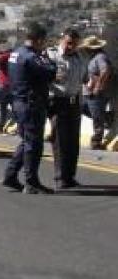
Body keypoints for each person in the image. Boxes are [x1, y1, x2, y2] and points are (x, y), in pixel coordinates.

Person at [1, 22, 58, 194]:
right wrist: (49, 60)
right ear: (39, 40)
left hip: (18, 101)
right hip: (31, 103)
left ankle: (10, 175)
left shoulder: (16, 53)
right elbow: (50, 73)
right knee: (34, 144)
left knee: (26, 141)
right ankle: (31, 182)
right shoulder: (32, 57)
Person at [47, 29, 85, 188]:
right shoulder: (51, 55)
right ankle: (60, 177)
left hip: (74, 101)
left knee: (73, 141)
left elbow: (82, 79)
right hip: (58, 101)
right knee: (60, 141)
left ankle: (70, 176)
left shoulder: (79, 57)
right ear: (61, 40)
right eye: (68, 43)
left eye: (74, 44)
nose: (71, 47)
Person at [81, 35, 113, 151]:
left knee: (97, 117)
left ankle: (96, 141)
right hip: (88, 93)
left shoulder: (100, 57)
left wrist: (98, 87)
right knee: (86, 110)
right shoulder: (93, 58)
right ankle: (107, 118)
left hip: (96, 94)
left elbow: (106, 71)